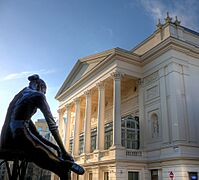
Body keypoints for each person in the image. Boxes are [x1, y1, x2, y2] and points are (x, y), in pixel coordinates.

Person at [0, 74, 84, 179]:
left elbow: (36, 135)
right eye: (44, 91)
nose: (44, 94)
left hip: (6, 140)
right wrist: (63, 151)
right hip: (19, 136)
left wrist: (55, 147)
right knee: (60, 168)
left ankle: (62, 162)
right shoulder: (38, 95)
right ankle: (64, 165)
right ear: (41, 87)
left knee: (45, 157)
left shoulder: (19, 96)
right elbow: (52, 126)